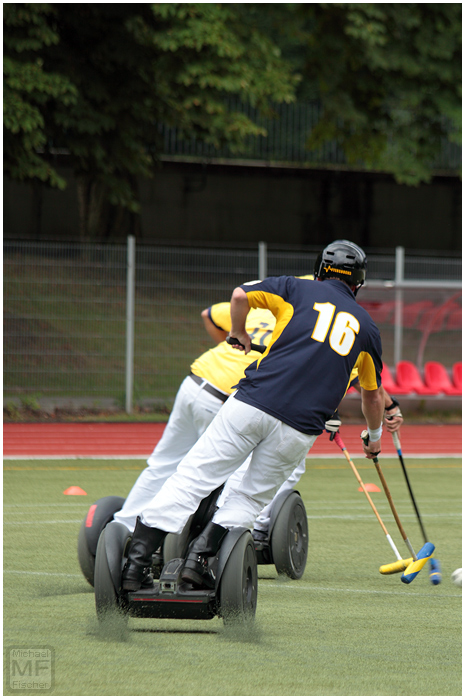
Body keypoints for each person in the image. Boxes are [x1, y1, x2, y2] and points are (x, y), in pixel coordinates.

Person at [121, 240, 386, 591]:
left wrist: (239, 332)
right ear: (359, 284)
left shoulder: (296, 287)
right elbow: (373, 396)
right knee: (248, 497)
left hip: (251, 404)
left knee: (192, 477)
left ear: (320, 270)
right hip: (299, 428)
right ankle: (199, 561)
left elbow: (239, 295)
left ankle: (136, 565)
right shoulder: (368, 329)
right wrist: (374, 438)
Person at [112, 296, 403, 541]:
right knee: (272, 469)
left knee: (167, 466)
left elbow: (210, 313)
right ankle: (247, 532)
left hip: (197, 381)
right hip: (242, 397)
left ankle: (124, 532)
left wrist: (234, 341)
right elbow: (362, 383)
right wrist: (385, 408)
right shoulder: (334, 324)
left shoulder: (279, 299)